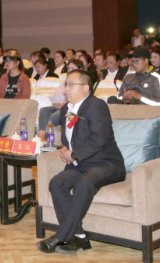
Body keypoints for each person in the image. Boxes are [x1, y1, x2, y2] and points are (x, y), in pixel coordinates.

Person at [35, 70, 125, 255]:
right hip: (81, 165)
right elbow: (69, 137)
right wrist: (65, 150)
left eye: (71, 85)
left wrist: (74, 155)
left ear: (85, 88)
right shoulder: (65, 110)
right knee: (56, 183)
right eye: (66, 84)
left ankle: (60, 237)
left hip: (106, 164)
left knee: (84, 183)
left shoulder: (96, 105)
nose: (66, 89)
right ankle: (80, 237)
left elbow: (99, 138)